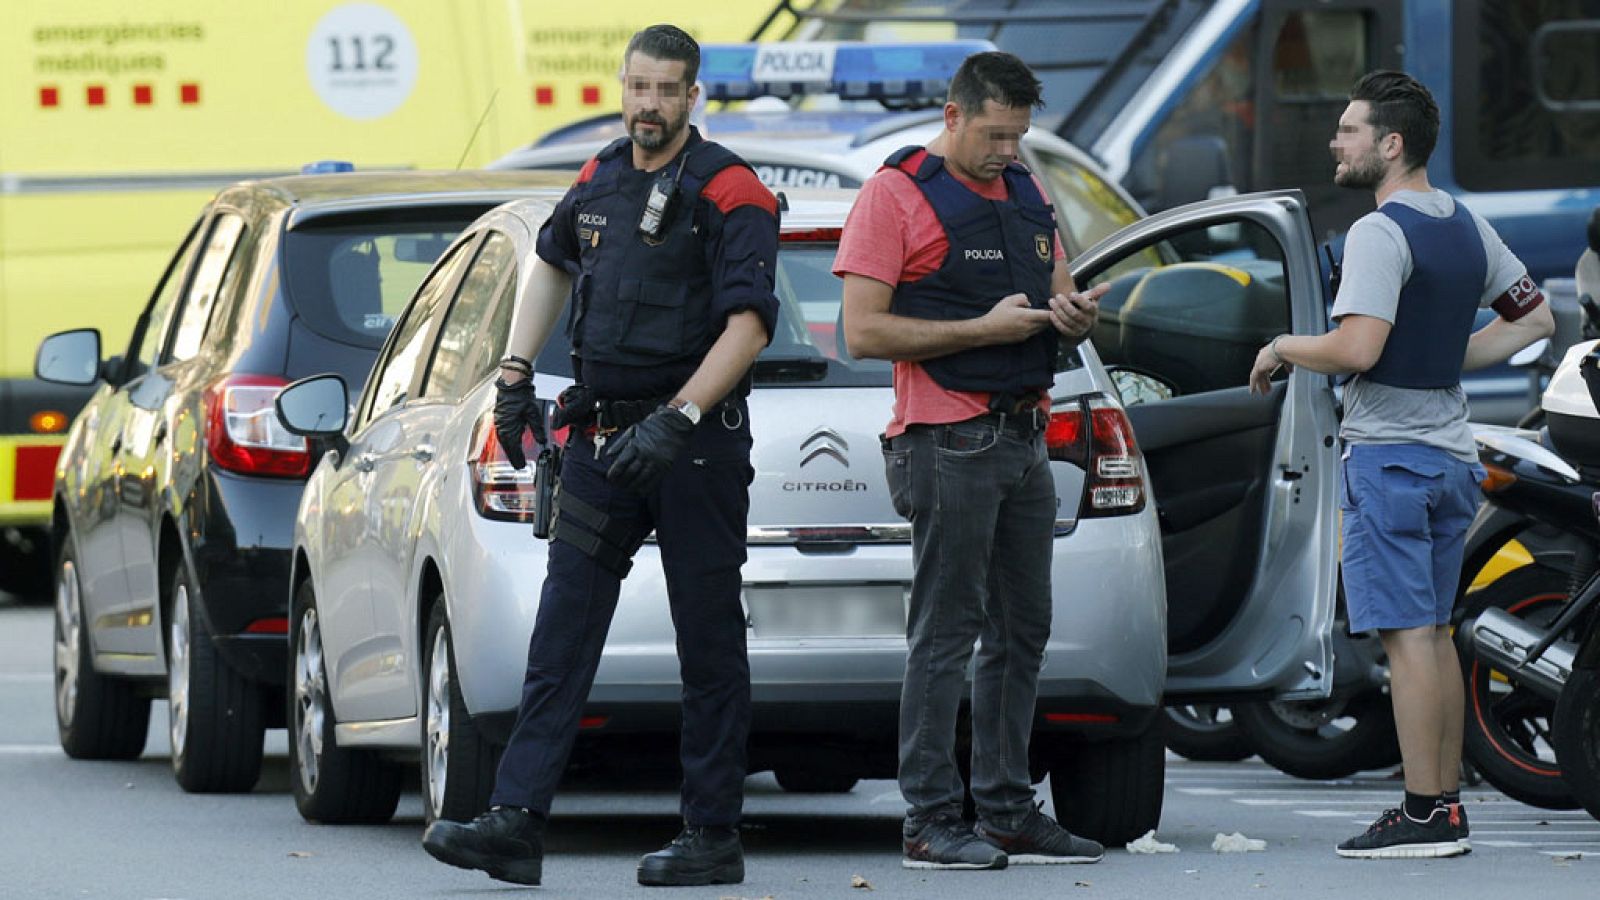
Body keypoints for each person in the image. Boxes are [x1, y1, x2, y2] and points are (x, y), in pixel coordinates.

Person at [421, 24, 779, 888]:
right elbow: (550, 262)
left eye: (666, 90)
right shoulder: (600, 175)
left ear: (693, 96)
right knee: (562, 630)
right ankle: (515, 823)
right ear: (622, 88)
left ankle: (711, 834)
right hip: (600, 443)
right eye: (637, 87)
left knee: (707, 638)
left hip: (693, 449)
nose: (648, 105)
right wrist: (514, 375)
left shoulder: (731, 189)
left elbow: (750, 325)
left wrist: (682, 416)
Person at [1247, 70, 1555, 859]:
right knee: (1434, 635)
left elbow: (1357, 348)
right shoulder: (1464, 223)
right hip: (1451, 458)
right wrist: (1448, 359)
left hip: (1389, 461)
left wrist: (1283, 347)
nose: (1335, 140)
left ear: (1390, 144)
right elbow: (1535, 317)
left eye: (1349, 130)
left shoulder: (1379, 234)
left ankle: (1423, 812)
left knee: (1407, 639)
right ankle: (1443, 805)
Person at [834, 50, 1108, 871]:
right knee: (945, 635)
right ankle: (928, 819)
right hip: (946, 440)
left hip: (1025, 434)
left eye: (1018, 136)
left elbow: (1058, 284)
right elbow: (862, 332)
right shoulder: (894, 195)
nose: (1007, 151)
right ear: (952, 116)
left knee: (1024, 630)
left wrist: (1075, 314)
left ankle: (1006, 809)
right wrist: (981, 331)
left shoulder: (1024, 187)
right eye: (993, 135)